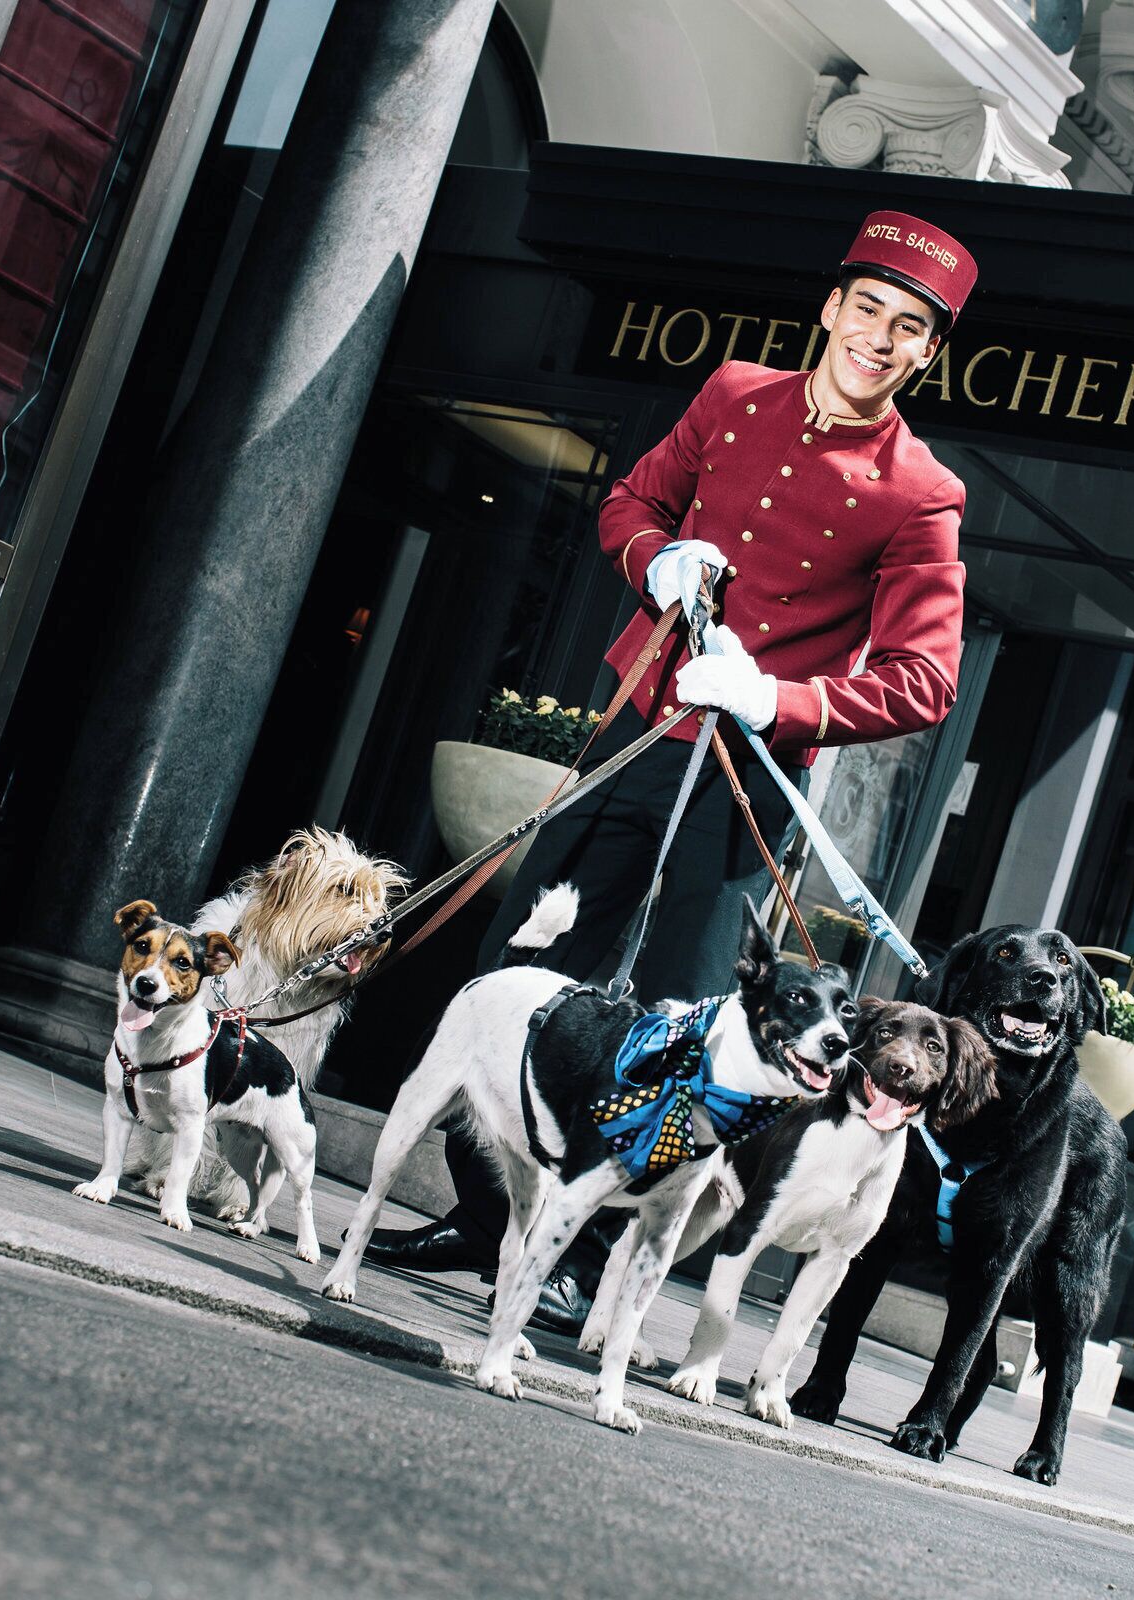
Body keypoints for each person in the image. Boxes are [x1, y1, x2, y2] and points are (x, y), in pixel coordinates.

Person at [365, 210, 977, 1330]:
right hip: (640, 728)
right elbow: (629, 503)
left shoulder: (920, 493)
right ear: (834, 306)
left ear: (927, 353)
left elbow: (925, 680)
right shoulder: (733, 392)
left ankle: (590, 1261)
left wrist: (777, 698)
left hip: (744, 776)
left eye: (909, 331)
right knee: (529, 964)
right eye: (869, 312)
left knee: (691, 1023)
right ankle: (486, 1217)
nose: (879, 341)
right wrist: (657, 558)